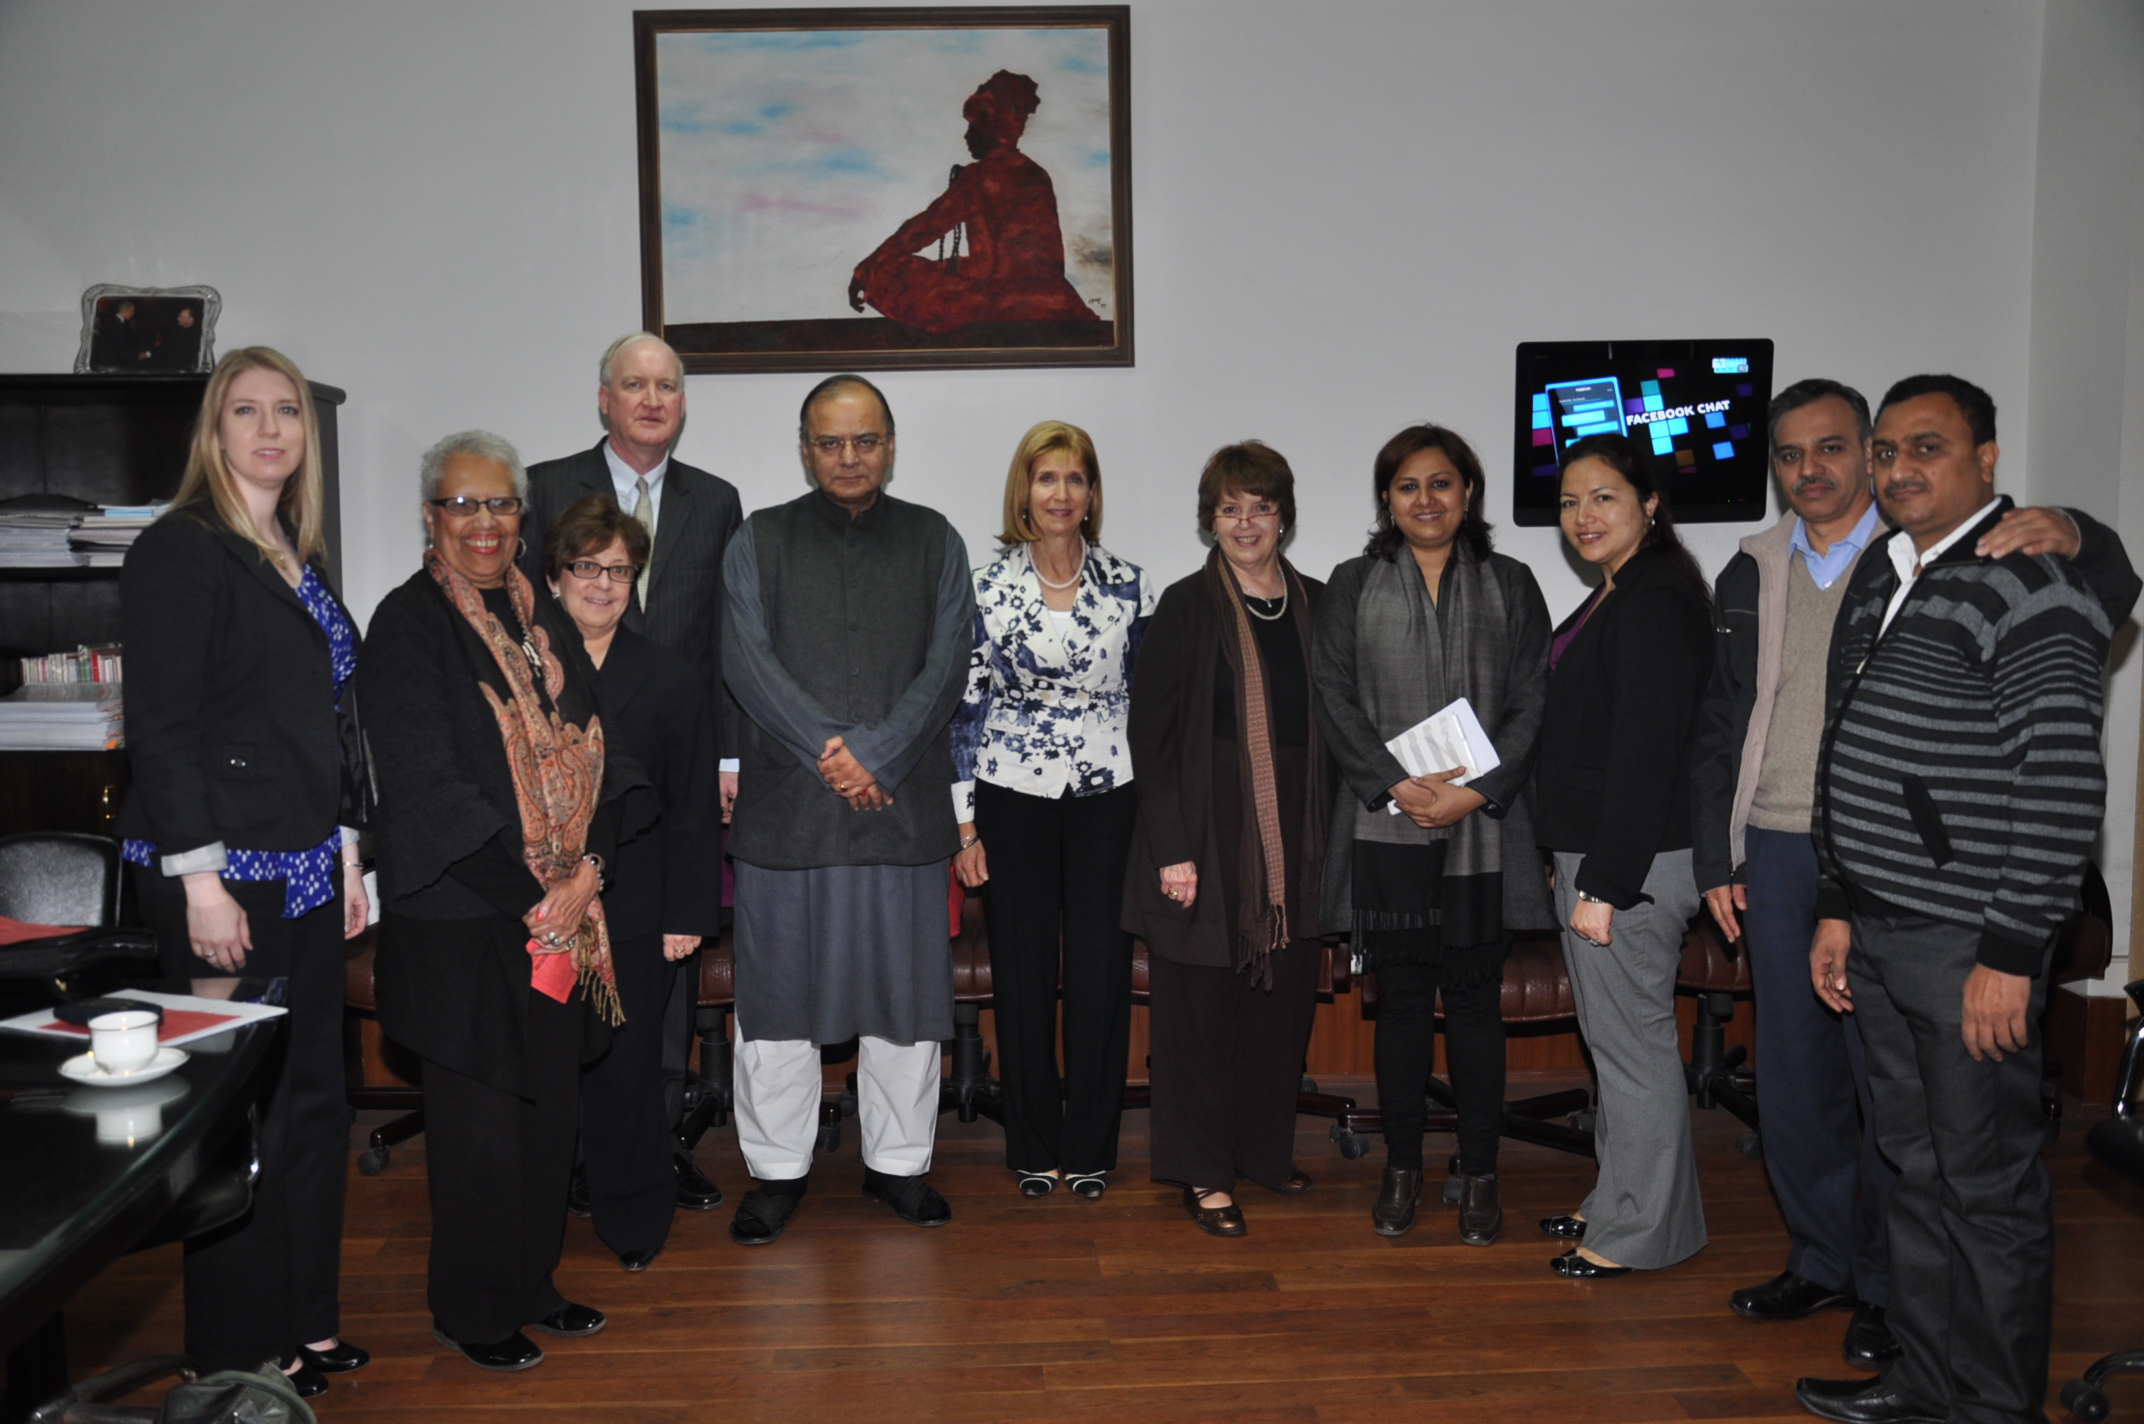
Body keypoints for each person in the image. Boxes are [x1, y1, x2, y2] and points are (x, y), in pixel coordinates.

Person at [1691, 378, 2133, 1366]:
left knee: (1959, 1164)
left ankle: (1946, 1356)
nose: (1885, 469)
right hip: (1831, 883)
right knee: (1868, 1125)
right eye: (1886, 451)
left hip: (1944, 915)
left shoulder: (2010, 566)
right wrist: (1782, 880)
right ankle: (1877, 1318)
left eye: (1904, 449)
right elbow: (1777, 736)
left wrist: (2012, 950)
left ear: (1983, 461)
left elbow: (2062, 753)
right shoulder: (1844, 572)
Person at [360, 431, 654, 1373]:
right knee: (481, 1135)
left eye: (500, 506)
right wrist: (544, 896)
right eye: (462, 505)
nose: (483, 524)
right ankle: (471, 1309)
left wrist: (588, 873)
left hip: (563, 911)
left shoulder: (540, 619)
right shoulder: (408, 624)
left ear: (521, 519)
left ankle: (532, 1285)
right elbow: (429, 788)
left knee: (547, 1115)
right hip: (466, 917)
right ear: (430, 516)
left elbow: (600, 750)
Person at [118, 347, 371, 1398]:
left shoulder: (292, 554)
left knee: (314, 1106)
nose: (270, 428)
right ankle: (232, 1354)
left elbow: (331, 722)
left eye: (287, 412)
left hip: (310, 873)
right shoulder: (181, 551)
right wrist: (202, 881)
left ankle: (304, 1326)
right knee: (232, 1123)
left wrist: (351, 848)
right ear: (212, 431)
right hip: (221, 881)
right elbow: (163, 730)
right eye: (246, 410)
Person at [720, 374, 975, 1245]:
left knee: (905, 1005)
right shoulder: (759, 539)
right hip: (788, 815)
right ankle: (777, 1171)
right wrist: (836, 752)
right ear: (804, 449)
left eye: (865, 440)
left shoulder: (935, 540)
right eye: (830, 442)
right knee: (778, 1005)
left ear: (891, 446)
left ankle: (899, 1167)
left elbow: (948, 668)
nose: (848, 457)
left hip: (901, 815)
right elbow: (745, 662)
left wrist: (879, 755)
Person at [1312, 424, 1553, 1245]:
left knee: (1476, 1007)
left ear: (1469, 494)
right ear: (1388, 498)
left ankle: (1481, 1174)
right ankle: (1404, 1168)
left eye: (1442, 483)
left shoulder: (1513, 583)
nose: (1426, 499)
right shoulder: (1351, 583)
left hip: (1484, 830)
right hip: (1388, 827)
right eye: (1409, 485)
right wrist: (1395, 784)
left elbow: (1530, 701)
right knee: (1406, 1006)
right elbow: (1334, 696)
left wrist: (1475, 793)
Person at [520, 330, 740, 1216]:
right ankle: (568, 1157)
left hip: (670, 759)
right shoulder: (542, 489)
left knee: (659, 993)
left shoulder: (716, 500)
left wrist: (724, 755)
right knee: (562, 997)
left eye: (668, 387)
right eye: (634, 385)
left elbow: (724, 635)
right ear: (604, 398)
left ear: (682, 404)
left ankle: (650, 1152)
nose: (652, 400)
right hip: (559, 792)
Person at [1124, 441, 1331, 1239]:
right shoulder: (1185, 604)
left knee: (1277, 1012)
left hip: (1294, 836)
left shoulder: (1318, 602)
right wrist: (1171, 848)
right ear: (1210, 519)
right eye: (1229, 508)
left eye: (1261, 505)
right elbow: (1154, 735)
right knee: (1198, 1016)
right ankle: (1205, 1173)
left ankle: (1262, 1154)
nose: (1246, 522)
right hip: (1207, 835)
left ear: (1284, 515)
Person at [951, 420, 1154, 1201]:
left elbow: (1144, 704)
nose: (1061, 493)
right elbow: (965, 712)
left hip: (1110, 795)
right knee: (1024, 971)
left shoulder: (1131, 584)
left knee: (1101, 975)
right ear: (1024, 494)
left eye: (1075, 479)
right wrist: (964, 825)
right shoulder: (983, 585)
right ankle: (1034, 1144)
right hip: (1011, 792)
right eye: (1046, 479)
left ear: (1092, 494)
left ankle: (1091, 1146)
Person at [1533, 432, 1713, 1279]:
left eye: (1602, 496)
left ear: (1649, 503)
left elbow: (1648, 751)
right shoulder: (1620, 591)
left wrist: (1603, 882)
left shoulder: (1657, 600)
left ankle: (1647, 1231)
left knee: (1634, 1046)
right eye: (1570, 501)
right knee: (1614, 1045)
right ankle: (1618, 1200)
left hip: (1631, 866)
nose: (1582, 516)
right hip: (1600, 855)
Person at [541, 496, 723, 1272]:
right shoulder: (525, 674)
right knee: (545, 1066)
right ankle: (541, 1214)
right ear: (553, 578)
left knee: (630, 1064)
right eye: (587, 567)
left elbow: (691, 808)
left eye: (619, 570)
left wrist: (689, 911)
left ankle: (634, 1218)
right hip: (540, 905)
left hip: (641, 904)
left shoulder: (672, 677)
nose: (604, 584)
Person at [848, 69, 1100, 333]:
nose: (967, 137)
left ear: (990, 129)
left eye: (973, 127)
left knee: (891, 270)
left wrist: (864, 272)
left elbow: (922, 229)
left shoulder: (980, 176)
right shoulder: (1037, 174)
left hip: (999, 304)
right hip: (1054, 300)